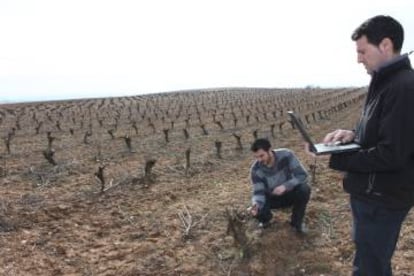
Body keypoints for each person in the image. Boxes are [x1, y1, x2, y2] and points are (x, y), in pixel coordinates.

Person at [315, 15, 414, 275]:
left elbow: (392, 154)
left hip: (382, 198)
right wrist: (351, 135)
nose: (359, 59)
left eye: (362, 51)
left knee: (370, 268)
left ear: (385, 45)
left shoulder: (404, 87)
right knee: (370, 263)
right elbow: (379, 133)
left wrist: (339, 158)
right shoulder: (384, 82)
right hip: (372, 194)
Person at [249, 138, 310, 234]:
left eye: (262, 156)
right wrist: (256, 204)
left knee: (304, 189)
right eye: (256, 157)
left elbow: (302, 175)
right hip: (272, 198)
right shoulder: (256, 170)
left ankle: (297, 223)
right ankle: (265, 221)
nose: (259, 160)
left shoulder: (286, 155)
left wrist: (286, 186)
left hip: (289, 193)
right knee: (257, 208)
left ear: (269, 150)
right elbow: (258, 191)